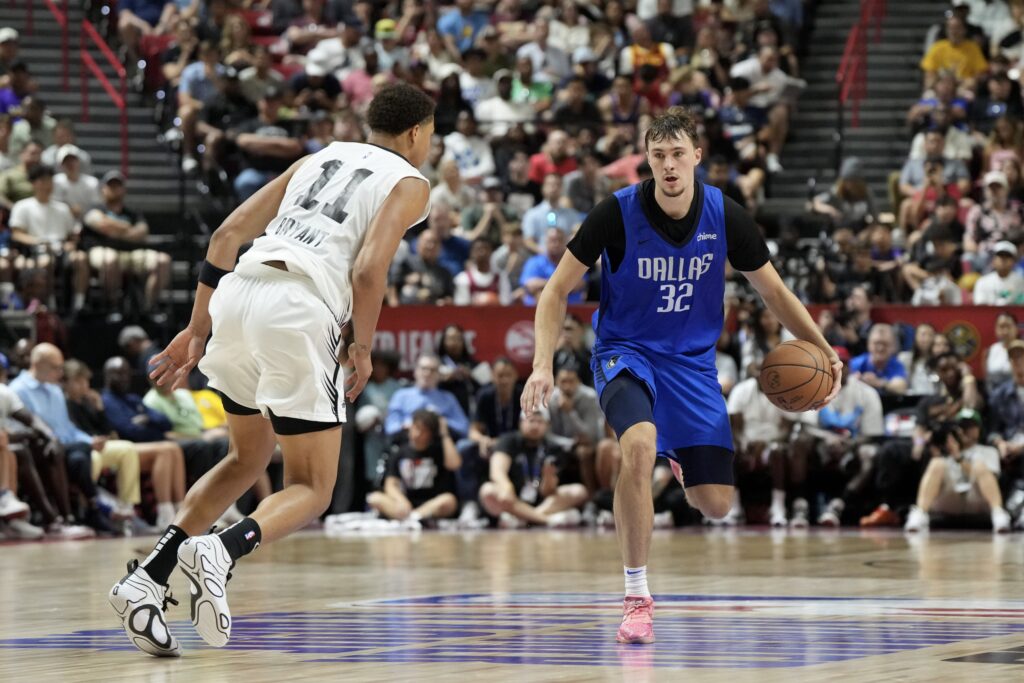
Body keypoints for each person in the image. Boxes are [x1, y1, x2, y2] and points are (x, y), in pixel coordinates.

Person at [108, 82, 436, 657]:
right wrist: (361, 346)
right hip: (300, 309)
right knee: (312, 486)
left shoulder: (319, 157)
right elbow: (366, 271)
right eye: (431, 135)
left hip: (239, 295)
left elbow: (226, 235)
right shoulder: (410, 183)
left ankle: (148, 576)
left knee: (246, 458)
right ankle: (222, 549)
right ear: (416, 133)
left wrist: (198, 326)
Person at [520, 107, 841, 644]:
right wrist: (541, 363)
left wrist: (821, 346)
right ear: (647, 161)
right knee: (637, 447)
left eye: (678, 155)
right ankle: (637, 595)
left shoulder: (726, 214)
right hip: (626, 353)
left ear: (697, 156)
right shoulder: (615, 213)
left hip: (691, 364)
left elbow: (774, 293)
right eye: (658, 156)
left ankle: (677, 453)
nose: (669, 166)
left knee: (716, 506)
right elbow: (555, 291)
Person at [478, 406, 589, 528]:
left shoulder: (554, 448)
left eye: (540, 422)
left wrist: (548, 477)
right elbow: (496, 472)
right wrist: (506, 486)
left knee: (579, 491)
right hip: (512, 498)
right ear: (521, 423)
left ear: (547, 425)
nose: (535, 426)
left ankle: (526, 519)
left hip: (542, 502)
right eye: (531, 420)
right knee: (488, 490)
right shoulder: (508, 440)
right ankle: (545, 520)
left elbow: (547, 491)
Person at [904, 411, 1011, 534]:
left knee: (980, 466)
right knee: (936, 463)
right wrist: (935, 449)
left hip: (976, 498)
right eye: (962, 427)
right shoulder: (944, 452)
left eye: (970, 426)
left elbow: (990, 477)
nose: (965, 431)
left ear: (979, 429)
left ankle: (999, 514)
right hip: (949, 497)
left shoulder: (988, 451)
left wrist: (958, 457)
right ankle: (920, 513)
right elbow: (918, 455)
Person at [367, 409, 460, 525]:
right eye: (415, 428)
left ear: (431, 434)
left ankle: (414, 517)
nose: (417, 434)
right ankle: (413, 518)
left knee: (449, 500)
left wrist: (444, 434)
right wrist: (401, 500)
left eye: (423, 431)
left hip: (431, 504)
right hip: (406, 504)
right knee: (374, 498)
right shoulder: (399, 452)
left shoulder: (438, 450)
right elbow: (390, 484)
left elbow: (455, 464)